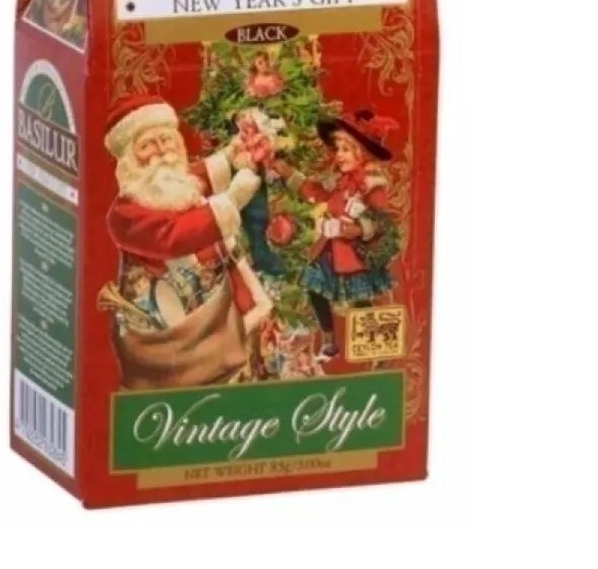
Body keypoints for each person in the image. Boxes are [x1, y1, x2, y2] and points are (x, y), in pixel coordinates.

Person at [101, 94, 272, 389]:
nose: (161, 151)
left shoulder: (171, 184)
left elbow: (192, 178)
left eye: (166, 139)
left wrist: (231, 156)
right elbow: (175, 237)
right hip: (174, 330)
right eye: (146, 145)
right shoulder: (125, 212)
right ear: (129, 160)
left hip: (216, 310)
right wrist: (232, 199)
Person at [272, 109, 399, 359]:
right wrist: (288, 173)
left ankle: (374, 348)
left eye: (346, 149)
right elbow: (315, 192)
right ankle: (329, 341)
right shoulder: (339, 181)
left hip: (355, 257)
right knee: (315, 288)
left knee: (359, 299)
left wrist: (357, 229)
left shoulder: (372, 185)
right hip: (329, 249)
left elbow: (382, 222)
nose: (338, 155)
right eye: (337, 149)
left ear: (361, 153)